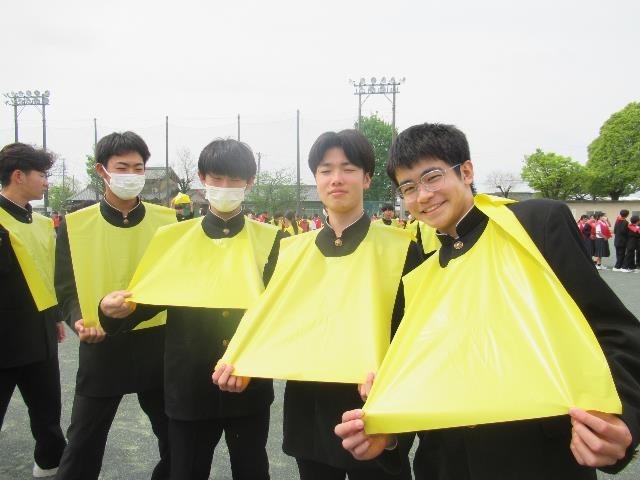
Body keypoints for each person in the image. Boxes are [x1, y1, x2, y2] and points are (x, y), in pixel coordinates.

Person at [335, 123, 640, 480]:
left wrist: (621, 418)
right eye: (409, 187)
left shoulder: (533, 225)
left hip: (538, 462)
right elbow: (424, 375)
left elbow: (613, 331)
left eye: (432, 177)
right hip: (445, 466)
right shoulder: (423, 271)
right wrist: (387, 436)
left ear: (466, 171)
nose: (423, 195)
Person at [213, 129, 420, 480]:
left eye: (348, 169)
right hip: (309, 413)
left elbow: (414, 333)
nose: (336, 178)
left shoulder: (403, 248)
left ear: (367, 178)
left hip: (373, 410)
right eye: (326, 170)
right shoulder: (291, 250)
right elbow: (269, 318)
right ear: (316, 178)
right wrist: (241, 359)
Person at [99, 139, 284, 480]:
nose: (225, 187)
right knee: (185, 471)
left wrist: (250, 364)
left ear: (250, 182)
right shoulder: (174, 238)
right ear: (201, 178)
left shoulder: (273, 239)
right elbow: (147, 300)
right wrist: (111, 310)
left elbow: (279, 313)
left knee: (252, 471)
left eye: (235, 180)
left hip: (248, 384)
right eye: (217, 178)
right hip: (188, 385)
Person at [54, 132, 175, 480]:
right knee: (82, 443)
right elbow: (65, 286)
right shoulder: (76, 224)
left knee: (176, 441)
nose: (131, 175)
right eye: (122, 167)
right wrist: (80, 319)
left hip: (157, 344)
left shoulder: (167, 221)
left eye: (138, 168)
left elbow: (174, 283)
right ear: (102, 171)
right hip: (102, 344)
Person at [0, 143, 66, 478]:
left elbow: (48, 274)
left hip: (39, 336)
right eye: (41, 174)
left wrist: (55, 317)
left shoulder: (42, 224)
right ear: (18, 176)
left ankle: (50, 465)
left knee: (48, 414)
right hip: (4, 337)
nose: (46, 182)